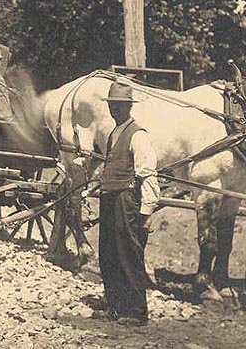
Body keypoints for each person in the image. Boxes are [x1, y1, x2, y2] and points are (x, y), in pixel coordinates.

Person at [98, 82, 160, 326]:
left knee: (128, 253)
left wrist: (146, 211)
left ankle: (137, 311)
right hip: (109, 196)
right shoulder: (114, 133)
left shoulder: (138, 134)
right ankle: (115, 306)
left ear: (128, 107)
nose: (115, 109)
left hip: (126, 199)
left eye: (120, 105)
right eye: (113, 104)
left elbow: (147, 173)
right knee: (108, 252)